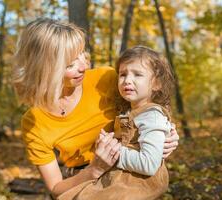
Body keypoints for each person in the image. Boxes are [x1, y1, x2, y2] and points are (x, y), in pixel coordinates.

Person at [12, 18, 179, 199]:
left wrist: (168, 132)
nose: (84, 66)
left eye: (83, 54)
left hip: (129, 176)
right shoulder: (34, 122)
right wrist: (96, 168)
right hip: (83, 182)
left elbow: (146, 108)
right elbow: (56, 187)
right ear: (45, 69)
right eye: (70, 64)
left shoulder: (106, 79)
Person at [66, 45, 175, 200]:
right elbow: (126, 138)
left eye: (137, 74)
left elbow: (149, 164)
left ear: (156, 84)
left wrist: (112, 151)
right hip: (120, 177)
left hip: (137, 184)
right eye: (123, 74)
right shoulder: (128, 112)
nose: (127, 80)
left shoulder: (152, 116)